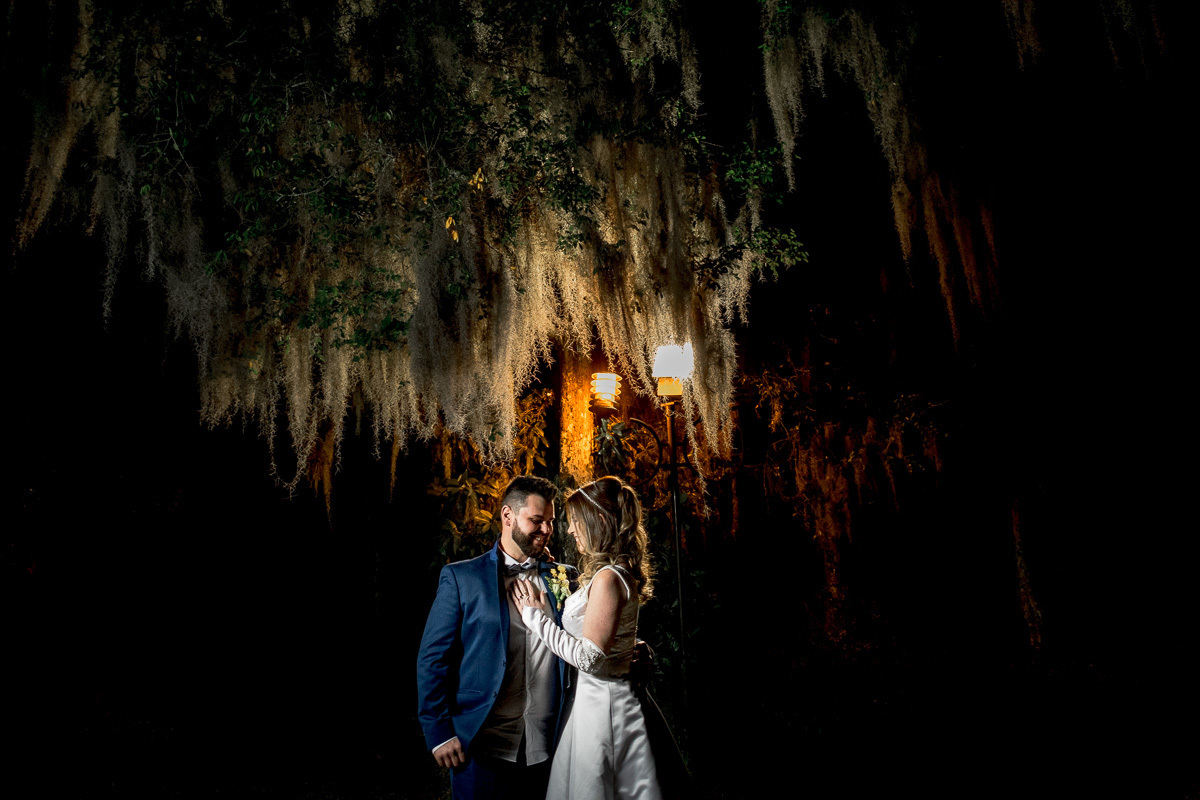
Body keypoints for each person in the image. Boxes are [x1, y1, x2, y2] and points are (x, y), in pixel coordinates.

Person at [417, 475, 577, 800]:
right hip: (481, 747)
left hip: (553, 747)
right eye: (536, 520)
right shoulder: (462, 578)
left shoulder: (565, 577)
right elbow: (433, 660)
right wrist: (438, 732)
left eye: (550, 522)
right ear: (507, 516)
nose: (546, 530)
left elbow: (584, 642)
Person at [510, 476, 663, 800]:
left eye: (575, 521)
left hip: (602, 703)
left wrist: (534, 618)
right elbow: (606, 632)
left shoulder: (608, 578)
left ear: (598, 523)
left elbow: (589, 658)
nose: (568, 530)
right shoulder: (610, 573)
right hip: (591, 700)